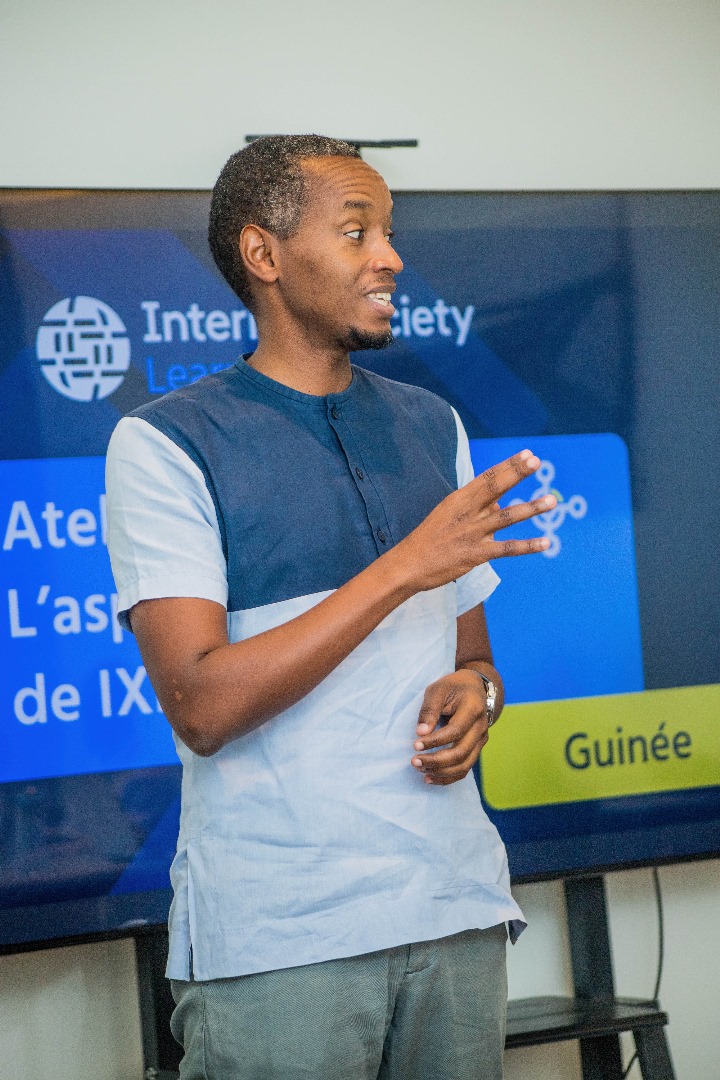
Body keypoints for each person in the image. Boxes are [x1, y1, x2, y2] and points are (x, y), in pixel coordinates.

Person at [105, 134, 555, 1080]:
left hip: (454, 911)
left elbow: (474, 663)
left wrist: (481, 696)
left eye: (388, 232)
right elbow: (203, 706)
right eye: (357, 232)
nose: (390, 257)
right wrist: (402, 567)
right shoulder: (165, 444)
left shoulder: (432, 424)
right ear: (264, 255)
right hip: (282, 943)